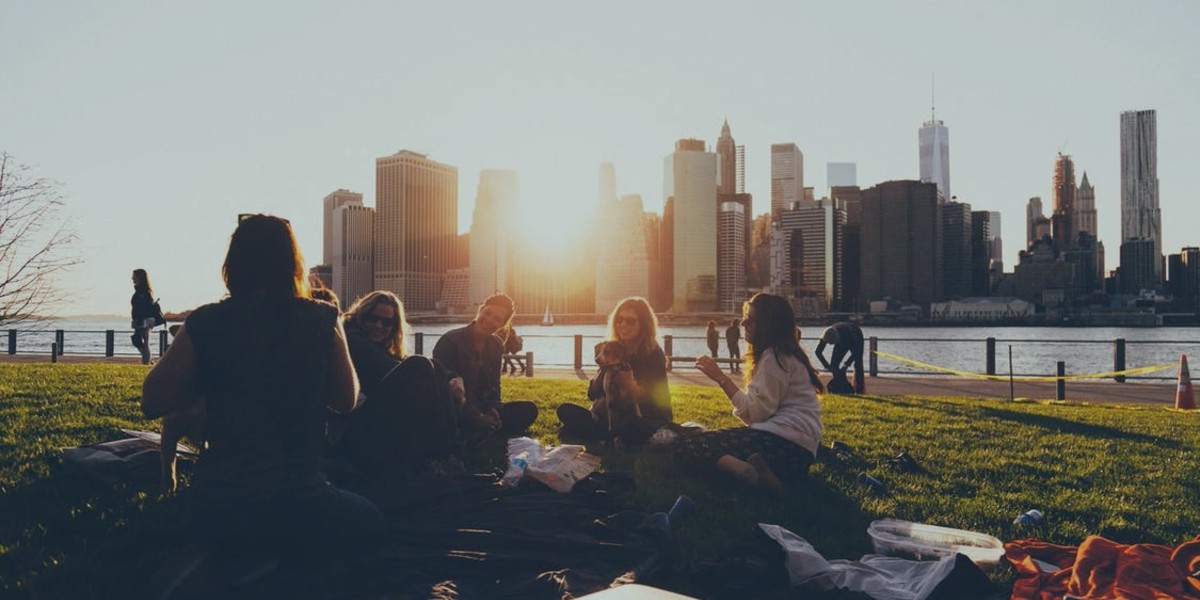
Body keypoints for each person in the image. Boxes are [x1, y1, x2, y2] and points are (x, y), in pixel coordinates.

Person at [140, 214, 383, 554]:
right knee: (371, 519)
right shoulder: (323, 317)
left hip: (219, 505)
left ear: (232, 266)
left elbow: (152, 400)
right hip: (300, 500)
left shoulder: (205, 321)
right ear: (293, 264)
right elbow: (346, 399)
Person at [678, 293, 825, 497]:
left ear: (767, 324)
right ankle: (769, 479)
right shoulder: (785, 354)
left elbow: (755, 414)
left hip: (780, 443)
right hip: (800, 454)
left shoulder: (774, 357)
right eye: (744, 318)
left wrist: (721, 378)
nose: (743, 323)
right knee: (707, 442)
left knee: (688, 446)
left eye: (750, 319)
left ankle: (746, 472)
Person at [332, 290, 465, 480]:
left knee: (430, 368)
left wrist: (454, 377)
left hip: (371, 424)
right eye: (372, 319)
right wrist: (441, 380)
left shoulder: (380, 348)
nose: (379, 326)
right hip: (352, 430)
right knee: (420, 367)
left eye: (387, 322)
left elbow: (407, 363)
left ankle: (448, 453)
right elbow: (390, 368)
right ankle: (448, 456)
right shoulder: (353, 340)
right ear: (361, 316)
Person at [557, 297, 673, 445]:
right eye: (619, 319)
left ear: (643, 325)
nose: (623, 325)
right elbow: (592, 394)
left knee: (631, 425)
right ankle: (607, 436)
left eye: (630, 321)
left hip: (646, 416)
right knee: (565, 410)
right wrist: (601, 373)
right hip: (611, 414)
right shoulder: (611, 350)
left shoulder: (653, 353)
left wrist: (631, 386)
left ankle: (602, 436)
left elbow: (654, 400)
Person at [433, 294, 538, 445]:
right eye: (488, 313)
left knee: (528, 409)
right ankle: (481, 431)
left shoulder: (496, 345)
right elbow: (445, 389)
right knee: (451, 417)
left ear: (502, 324)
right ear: (480, 310)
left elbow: (494, 385)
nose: (489, 320)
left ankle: (483, 430)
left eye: (497, 318)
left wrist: (493, 408)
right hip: (455, 407)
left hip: (482, 405)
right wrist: (477, 417)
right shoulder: (450, 341)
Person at [815, 321, 865, 394]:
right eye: (828, 343)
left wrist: (846, 365)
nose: (830, 344)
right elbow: (818, 352)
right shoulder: (826, 335)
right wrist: (828, 366)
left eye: (831, 343)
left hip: (855, 335)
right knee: (834, 365)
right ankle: (840, 385)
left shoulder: (850, 336)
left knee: (858, 363)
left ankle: (859, 390)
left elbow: (856, 352)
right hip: (840, 336)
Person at [130, 269, 157, 365]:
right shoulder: (141, 290)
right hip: (141, 319)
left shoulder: (143, 291)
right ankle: (147, 359)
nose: (132, 278)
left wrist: (140, 318)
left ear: (139, 277)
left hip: (143, 319)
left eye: (134, 276)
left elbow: (144, 307)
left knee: (141, 340)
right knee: (139, 340)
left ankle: (146, 360)